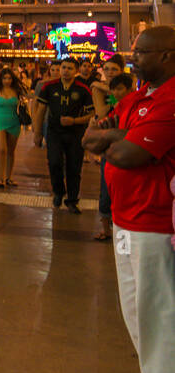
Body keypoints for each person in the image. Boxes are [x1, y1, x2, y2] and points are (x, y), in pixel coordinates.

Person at [83, 26, 175, 373]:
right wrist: (122, 135)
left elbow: (129, 155)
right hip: (123, 220)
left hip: (152, 225)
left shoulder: (170, 100)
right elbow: (91, 136)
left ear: (167, 56)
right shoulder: (137, 99)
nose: (132, 57)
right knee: (135, 312)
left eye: (141, 52)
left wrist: (117, 139)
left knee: (158, 318)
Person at [33, 56, 94, 213]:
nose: (65, 71)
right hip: (54, 131)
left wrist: (74, 121)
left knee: (74, 167)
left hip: (76, 133)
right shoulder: (50, 87)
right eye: (63, 68)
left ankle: (72, 200)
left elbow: (92, 114)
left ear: (76, 71)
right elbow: (41, 110)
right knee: (54, 162)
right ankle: (58, 192)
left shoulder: (83, 89)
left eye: (69, 68)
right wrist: (37, 132)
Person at [95, 72, 136, 241]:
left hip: (126, 156)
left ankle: (123, 235)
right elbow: (101, 117)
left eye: (120, 89)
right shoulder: (115, 105)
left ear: (130, 89)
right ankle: (107, 229)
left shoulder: (136, 106)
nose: (117, 93)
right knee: (106, 192)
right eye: (114, 90)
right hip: (111, 156)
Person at [90, 55, 127, 240]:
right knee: (106, 185)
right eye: (107, 69)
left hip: (127, 140)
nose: (110, 72)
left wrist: (104, 88)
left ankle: (123, 225)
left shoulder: (101, 88)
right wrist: (114, 92)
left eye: (114, 69)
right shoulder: (98, 90)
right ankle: (105, 228)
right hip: (108, 141)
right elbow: (101, 112)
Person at [0, 68, 26, 191]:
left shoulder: (16, 90)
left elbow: (26, 100)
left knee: (11, 151)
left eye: (9, 78)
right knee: (2, 149)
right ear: (0, 79)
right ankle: (1, 178)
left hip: (14, 122)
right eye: (4, 78)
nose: (7, 81)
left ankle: (8, 177)